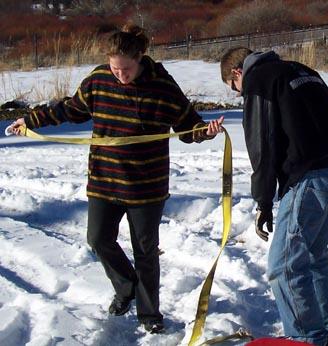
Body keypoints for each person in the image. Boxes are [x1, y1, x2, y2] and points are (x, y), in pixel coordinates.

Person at [9, 24, 224, 334]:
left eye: (126, 69)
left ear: (140, 59)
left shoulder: (162, 86)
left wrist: (206, 131)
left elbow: (188, 127)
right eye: (114, 68)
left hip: (146, 187)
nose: (120, 75)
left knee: (146, 253)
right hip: (104, 180)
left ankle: (150, 314)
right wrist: (30, 120)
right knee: (98, 239)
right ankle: (126, 288)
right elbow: (72, 110)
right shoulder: (99, 80)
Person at [220, 47, 328, 346]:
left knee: (284, 265)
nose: (238, 93)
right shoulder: (301, 70)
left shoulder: (259, 81)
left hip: (310, 179)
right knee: (314, 253)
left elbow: (262, 146)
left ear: (237, 73)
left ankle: (306, 338)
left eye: (233, 88)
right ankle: (327, 328)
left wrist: (263, 200)